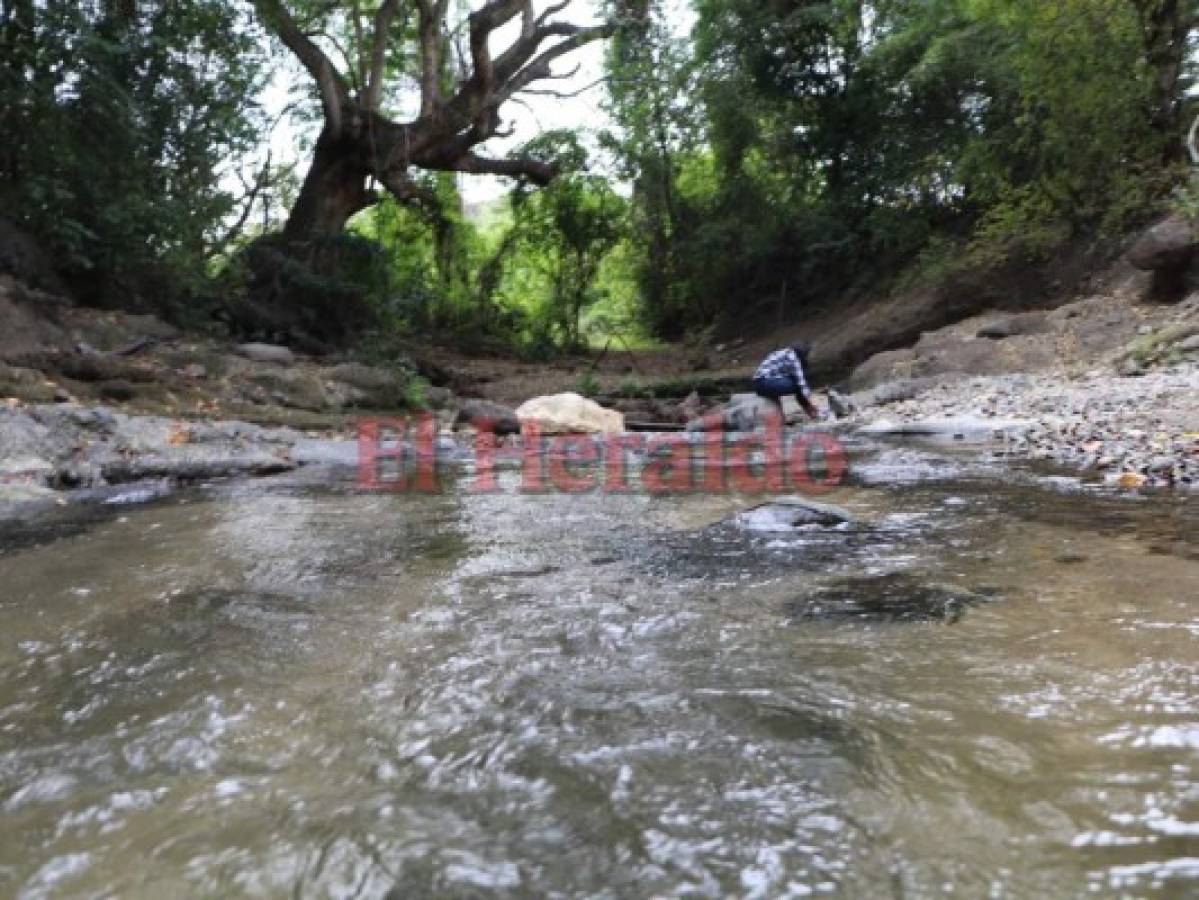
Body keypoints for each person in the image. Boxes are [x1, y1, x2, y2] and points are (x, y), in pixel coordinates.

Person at [751, 341, 825, 421]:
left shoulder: (784, 352)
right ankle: (812, 412)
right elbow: (802, 384)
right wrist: (813, 402)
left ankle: (780, 419)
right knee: (797, 386)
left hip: (759, 383)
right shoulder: (793, 358)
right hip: (765, 382)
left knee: (785, 386)